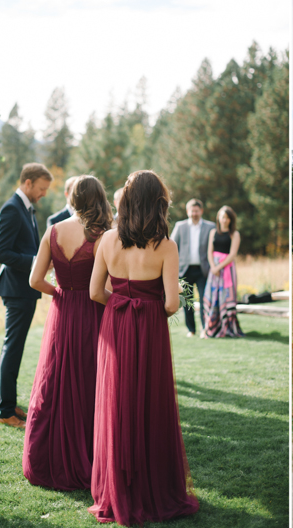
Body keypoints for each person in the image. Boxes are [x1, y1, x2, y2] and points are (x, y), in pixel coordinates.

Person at [88, 170, 199, 525]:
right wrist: (146, 309)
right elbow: (170, 304)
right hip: (149, 328)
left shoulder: (106, 240)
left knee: (117, 400)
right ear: (157, 204)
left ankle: (117, 486)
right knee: (150, 401)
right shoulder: (166, 246)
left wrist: (121, 305)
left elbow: (94, 292)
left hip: (116, 325)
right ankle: (151, 485)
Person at [23, 176, 112, 490]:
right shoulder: (103, 236)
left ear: (73, 199)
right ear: (99, 200)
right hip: (92, 312)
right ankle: (90, 455)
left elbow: (35, 281)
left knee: (57, 379)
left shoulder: (53, 231)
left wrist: (59, 292)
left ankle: (47, 458)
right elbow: (106, 287)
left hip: (62, 312)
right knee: (90, 380)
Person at [0, 163, 53, 428]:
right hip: (16, 290)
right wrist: (36, 261)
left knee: (14, 349)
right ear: (28, 183)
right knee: (12, 348)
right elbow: (0, 253)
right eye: (41, 188)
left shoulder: (26, 209)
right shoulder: (12, 209)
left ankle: (8, 403)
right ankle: (5, 411)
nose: (43, 194)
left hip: (24, 290)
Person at [170, 199, 215, 337]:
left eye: (197, 211)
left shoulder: (210, 227)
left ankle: (204, 329)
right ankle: (191, 330)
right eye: (192, 211)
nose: (194, 213)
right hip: (185, 270)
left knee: (204, 300)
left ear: (201, 211)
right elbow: (172, 245)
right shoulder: (180, 226)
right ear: (187, 211)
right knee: (188, 302)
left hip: (203, 270)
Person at [202, 206, 244, 338]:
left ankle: (227, 326)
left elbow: (232, 254)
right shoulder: (213, 232)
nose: (224, 220)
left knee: (225, 297)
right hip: (214, 269)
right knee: (213, 295)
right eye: (222, 217)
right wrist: (213, 267)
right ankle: (211, 326)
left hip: (226, 269)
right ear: (218, 218)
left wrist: (219, 267)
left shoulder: (234, 234)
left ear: (231, 220)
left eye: (227, 217)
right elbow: (209, 251)